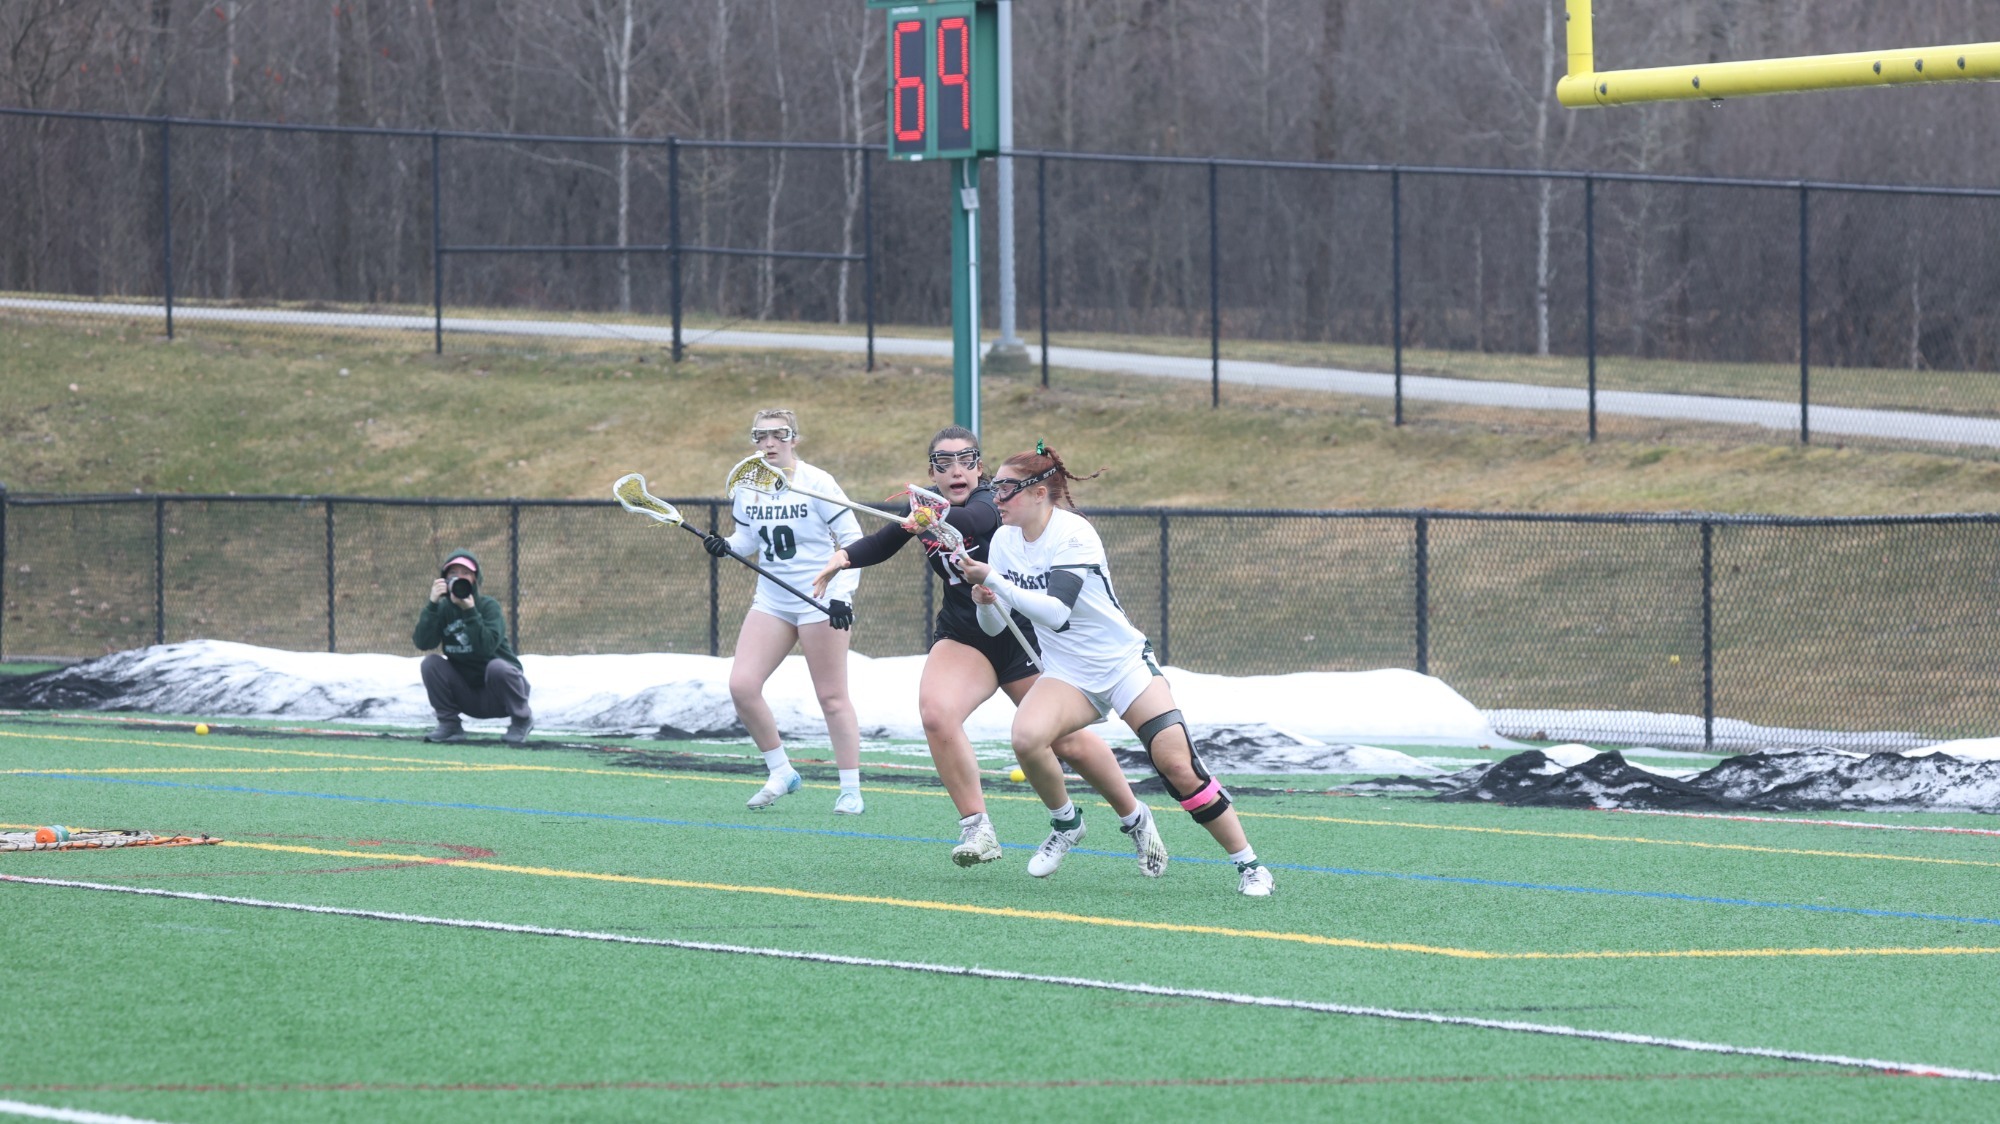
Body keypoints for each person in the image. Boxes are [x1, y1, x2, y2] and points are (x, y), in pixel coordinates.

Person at [811, 427, 1168, 875]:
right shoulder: (925, 510)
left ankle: (1135, 819)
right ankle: (979, 828)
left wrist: (924, 518)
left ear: (980, 467)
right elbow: (885, 541)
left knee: (1067, 742)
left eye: (966, 460)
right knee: (937, 714)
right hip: (967, 634)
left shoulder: (989, 505)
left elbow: (972, 522)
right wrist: (842, 558)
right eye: (943, 463)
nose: (956, 470)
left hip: (1023, 635)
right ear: (931, 472)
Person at [959, 444, 1276, 896]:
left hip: (1122, 664)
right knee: (1026, 737)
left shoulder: (1075, 534)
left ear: (1041, 493)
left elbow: (1056, 613)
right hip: (1068, 672)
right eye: (995, 488)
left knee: (1177, 766)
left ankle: (1250, 867)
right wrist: (984, 600)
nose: (997, 498)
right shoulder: (1005, 541)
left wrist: (993, 581)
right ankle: (1067, 824)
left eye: (1007, 488)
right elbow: (993, 627)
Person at [702, 408, 868, 814]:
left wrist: (841, 596)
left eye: (778, 435)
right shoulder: (747, 485)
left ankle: (850, 788)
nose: (769, 443)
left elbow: (853, 541)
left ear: (794, 438)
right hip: (773, 600)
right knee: (742, 685)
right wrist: (725, 545)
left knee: (831, 697)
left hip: (818, 597)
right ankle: (781, 770)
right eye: (761, 436)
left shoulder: (817, 483)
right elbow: (746, 539)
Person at [413, 550, 533, 746]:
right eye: (453, 574)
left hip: (501, 695)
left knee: (497, 667)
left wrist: (470, 611)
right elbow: (423, 643)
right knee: (431, 663)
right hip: (468, 693)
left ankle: (521, 720)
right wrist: (432, 605)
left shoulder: (488, 607)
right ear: (444, 580)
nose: (459, 578)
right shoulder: (443, 610)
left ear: (475, 580)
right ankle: (449, 724)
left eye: (465, 573)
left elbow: (485, 648)